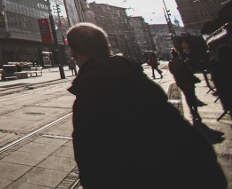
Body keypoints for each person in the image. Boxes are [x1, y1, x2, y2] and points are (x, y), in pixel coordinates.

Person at [66, 23, 225, 188]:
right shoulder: (140, 83)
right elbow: (193, 145)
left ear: (74, 53)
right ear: (108, 48)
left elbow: (92, 168)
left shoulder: (89, 96)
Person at [168, 47, 205, 122]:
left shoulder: (171, 63)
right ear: (178, 54)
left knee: (187, 96)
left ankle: (191, 111)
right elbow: (190, 70)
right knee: (192, 95)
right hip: (189, 80)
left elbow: (172, 72)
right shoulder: (182, 61)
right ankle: (196, 112)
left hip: (180, 82)